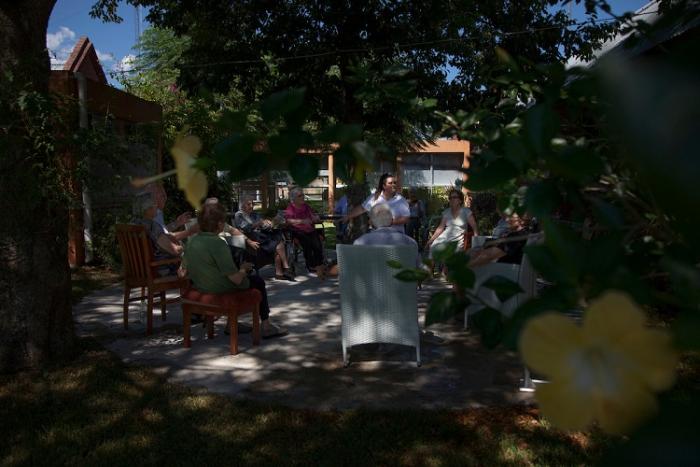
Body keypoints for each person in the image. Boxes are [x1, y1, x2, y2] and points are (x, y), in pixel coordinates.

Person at [182, 201, 287, 339]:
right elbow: (236, 280)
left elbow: (182, 272)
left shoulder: (191, 242)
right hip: (220, 289)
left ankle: (231, 324)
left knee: (233, 269)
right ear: (219, 225)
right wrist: (243, 269)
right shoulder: (218, 243)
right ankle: (266, 326)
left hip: (201, 287)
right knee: (258, 282)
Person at [234, 195, 294, 281]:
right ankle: (285, 268)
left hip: (261, 237)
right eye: (249, 204)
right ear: (242, 206)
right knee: (277, 240)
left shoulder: (255, 214)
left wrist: (270, 223)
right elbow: (246, 228)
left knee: (277, 237)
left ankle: (281, 272)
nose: (252, 206)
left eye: (252, 204)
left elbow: (264, 227)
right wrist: (258, 223)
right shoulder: (239, 215)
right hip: (250, 239)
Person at [342, 173, 410, 233]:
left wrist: (387, 222)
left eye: (394, 183)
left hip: (397, 235)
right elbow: (362, 209)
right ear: (384, 186)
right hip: (376, 235)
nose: (393, 185)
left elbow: (406, 218)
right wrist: (347, 216)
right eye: (390, 183)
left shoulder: (401, 200)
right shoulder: (374, 198)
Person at [133, 194, 183, 276]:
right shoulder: (153, 226)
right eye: (155, 205)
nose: (157, 207)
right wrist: (184, 247)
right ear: (148, 209)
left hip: (138, 272)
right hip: (159, 270)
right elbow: (175, 250)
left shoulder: (134, 225)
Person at [426, 189, 479, 256]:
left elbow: (474, 227)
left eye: (454, 197)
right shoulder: (446, 212)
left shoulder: (466, 211)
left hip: (458, 239)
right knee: (433, 247)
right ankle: (433, 266)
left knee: (451, 252)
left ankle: (444, 266)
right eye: (450, 198)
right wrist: (430, 240)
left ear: (460, 200)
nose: (451, 199)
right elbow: (440, 228)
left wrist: (476, 241)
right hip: (445, 237)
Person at [284, 188, 325, 274]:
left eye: (303, 195)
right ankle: (310, 265)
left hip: (309, 229)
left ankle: (319, 265)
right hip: (297, 231)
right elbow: (288, 221)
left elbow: (312, 216)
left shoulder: (306, 206)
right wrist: (301, 221)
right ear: (294, 198)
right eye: (300, 196)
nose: (303, 197)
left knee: (317, 244)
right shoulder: (290, 208)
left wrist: (315, 218)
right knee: (307, 243)